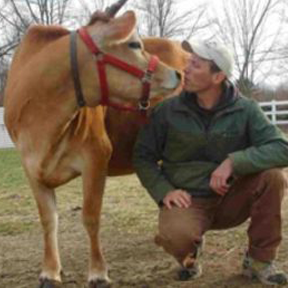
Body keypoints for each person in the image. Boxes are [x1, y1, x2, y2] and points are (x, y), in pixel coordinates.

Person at [133, 39, 288, 285]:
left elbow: (282, 148)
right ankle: (191, 252)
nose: (186, 68)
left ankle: (259, 261)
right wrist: (165, 191)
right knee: (176, 237)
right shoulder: (166, 111)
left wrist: (233, 162)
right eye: (188, 62)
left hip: (232, 199)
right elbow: (142, 156)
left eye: (196, 64)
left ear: (218, 77)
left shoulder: (245, 110)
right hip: (188, 202)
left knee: (273, 177)